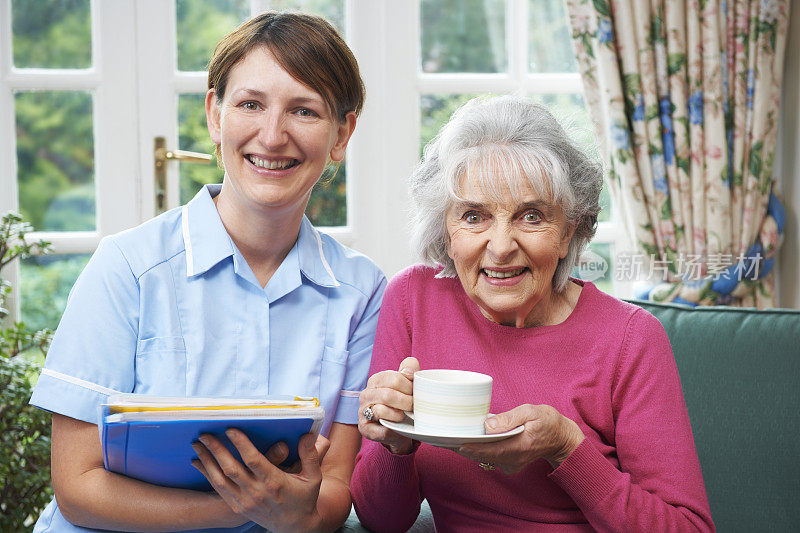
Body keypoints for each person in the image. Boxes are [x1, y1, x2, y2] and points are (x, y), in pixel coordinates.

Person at [29, 12, 385, 533]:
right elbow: (78, 486)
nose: (273, 134)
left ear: (342, 133)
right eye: (250, 104)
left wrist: (299, 517)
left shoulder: (362, 292)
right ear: (215, 115)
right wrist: (247, 506)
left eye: (304, 111)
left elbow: (332, 494)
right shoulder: (127, 268)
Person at [351, 96, 715, 532]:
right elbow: (381, 521)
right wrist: (393, 443)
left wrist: (566, 448)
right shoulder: (413, 299)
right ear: (445, 231)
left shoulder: (631, 338)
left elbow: (689, 528)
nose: (501, 246)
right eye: (474, 216)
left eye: (531, 216)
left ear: (569, 233)